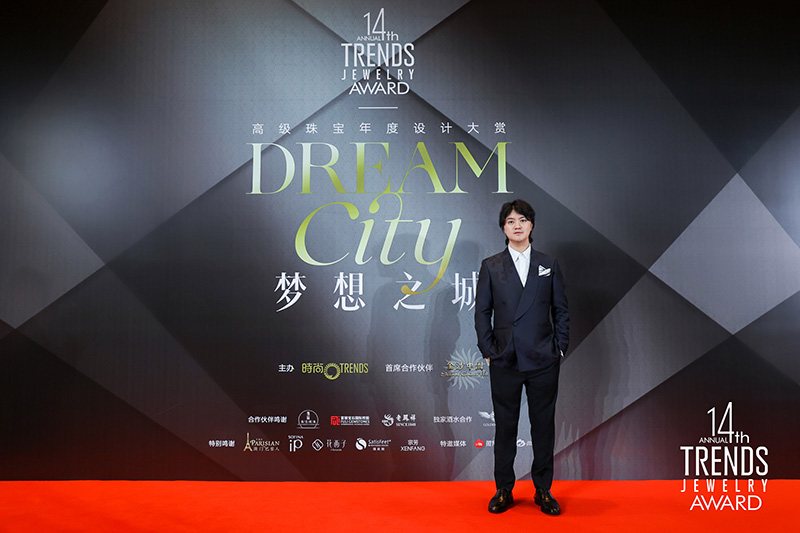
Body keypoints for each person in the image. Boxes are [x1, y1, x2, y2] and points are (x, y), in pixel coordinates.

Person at [474, 199, 569, 515]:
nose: (517, 225)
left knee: (543, 427)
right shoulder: (491, 266)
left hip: (543, 358)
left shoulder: (548, 264)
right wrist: (489, 350)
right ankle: (504, 489)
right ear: (503, 227)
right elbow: (482, 312)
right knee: (505, 427)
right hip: (505, 358)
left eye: (523, 220)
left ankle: (543, 490)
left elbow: (561, 309)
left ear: (532, 225)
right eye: (511, 221)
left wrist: (560, 346)